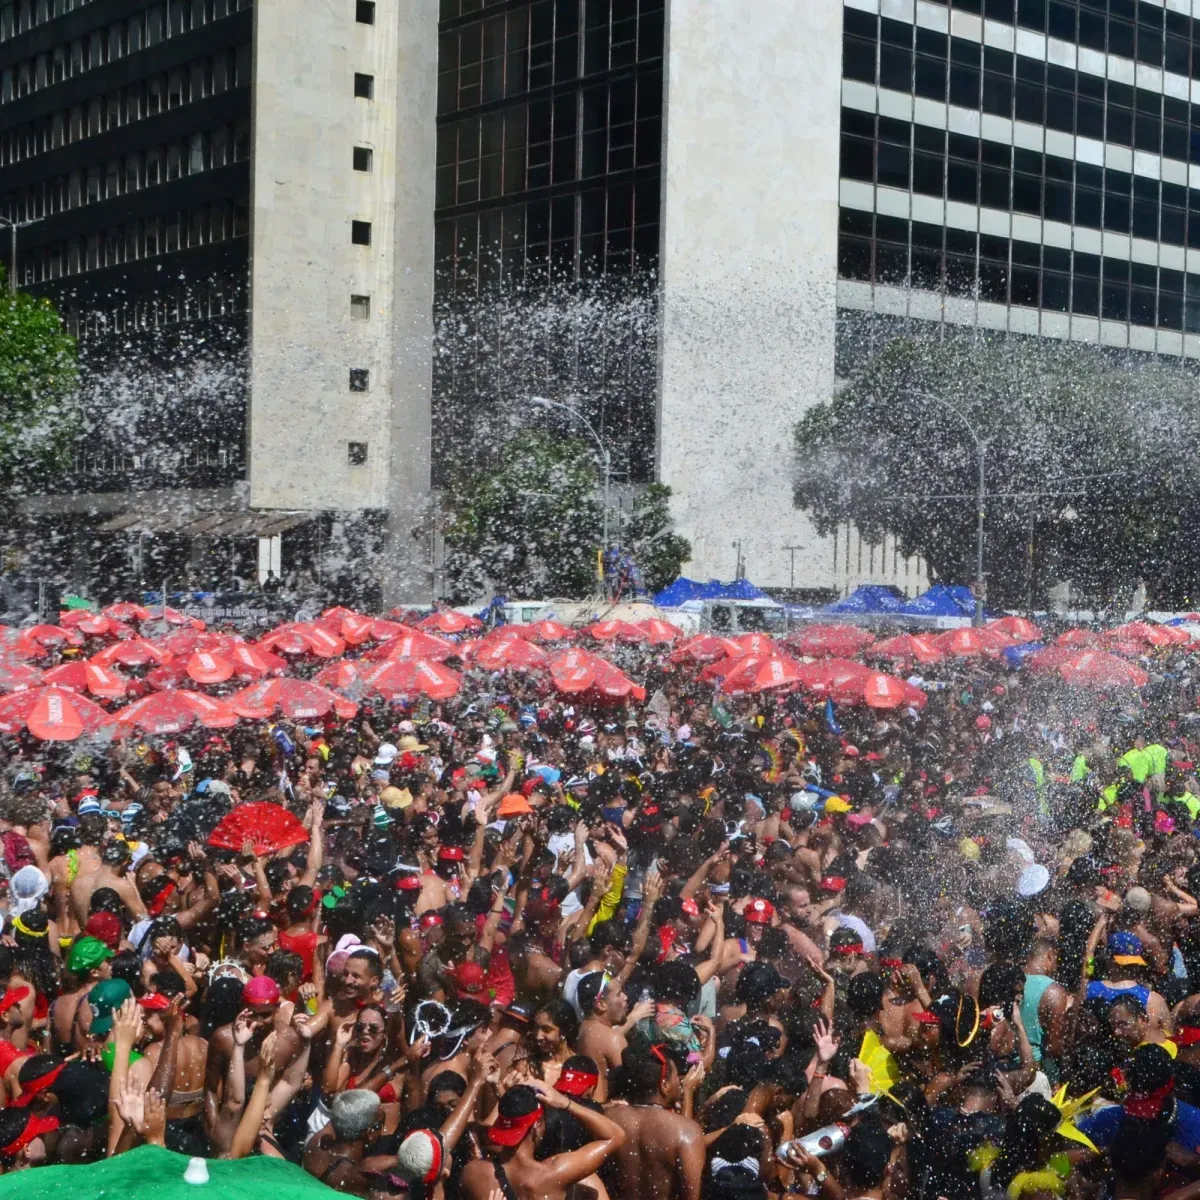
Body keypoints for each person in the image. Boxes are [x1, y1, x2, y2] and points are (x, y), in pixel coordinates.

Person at [458, 1079, 626, 1200]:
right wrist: (564, 1102)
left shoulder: (473, 1173)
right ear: (537, 1126)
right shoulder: (552, 1174)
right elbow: (615, 1135)